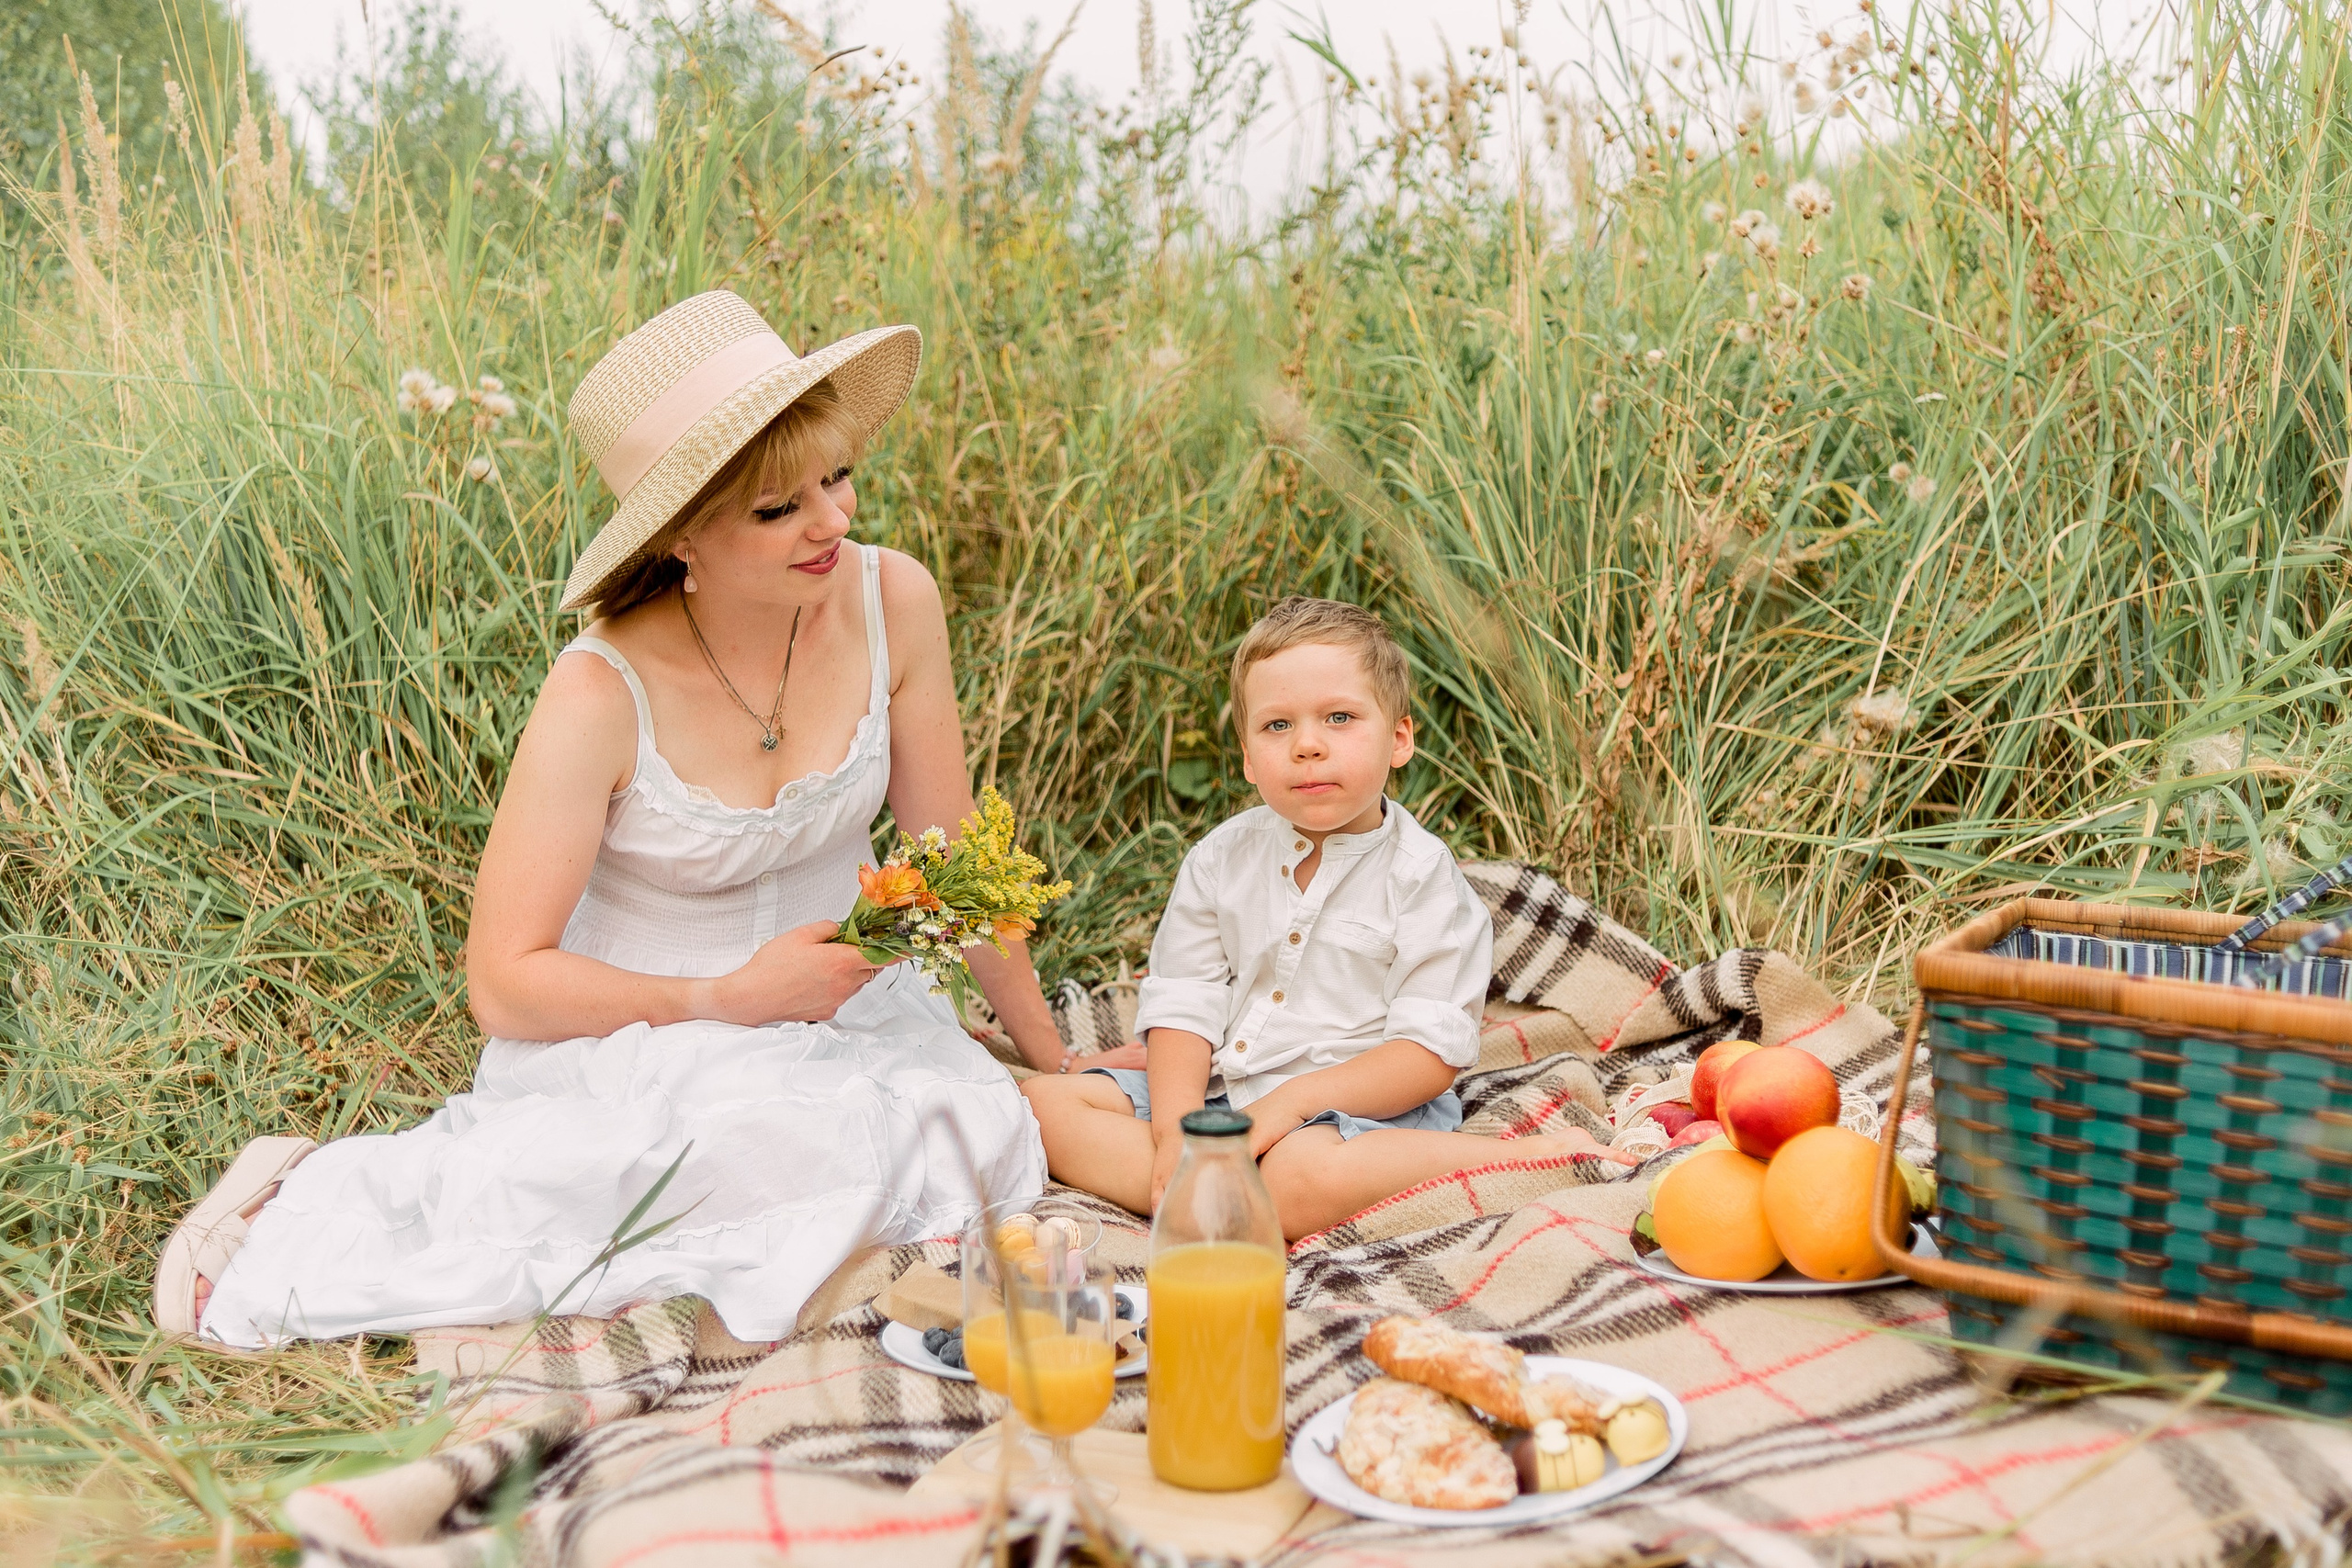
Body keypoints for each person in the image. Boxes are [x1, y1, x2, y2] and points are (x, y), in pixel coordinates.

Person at [154, 290, 1138, 1348]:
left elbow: (955, 867)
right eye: (778, 510)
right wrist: (727, 995)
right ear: (681, 539)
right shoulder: (599, 692)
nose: (835, 522)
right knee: (703, 1168)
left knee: (960, 1136)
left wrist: (1044, 1052)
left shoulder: (892, 600)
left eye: (837, 476)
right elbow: (504, 982)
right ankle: (302, 1187)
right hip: (641, 1031)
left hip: (848, 1017)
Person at [1023, 598, 1632, 1241]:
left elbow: (1427, 1054)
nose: (1307, 745)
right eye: (1277, 726)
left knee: (1296, 1177)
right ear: (1250, 756)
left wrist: (1291, 1103)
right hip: (1226, 1093)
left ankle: (1517, 1159)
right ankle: (1203, 1184)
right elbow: (1185, 1003)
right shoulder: (1220, 859)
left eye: (1339, 718)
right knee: (1043, 1105)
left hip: (1360, 1113)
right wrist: (1181, 1132)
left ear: (1399, 739)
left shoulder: (1423, 878)